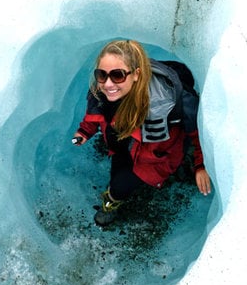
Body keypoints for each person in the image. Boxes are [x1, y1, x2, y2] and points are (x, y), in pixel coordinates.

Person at [73, 39, 211, 226]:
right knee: (117, 174)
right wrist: (85, 132)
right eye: (101, 74)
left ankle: (112, 201)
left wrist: (200, 166)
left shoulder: (168, 103)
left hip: (155, 158)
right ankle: (115, 193)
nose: (108, 83)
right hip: (123, 144)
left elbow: (198, 133)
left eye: (118, 75)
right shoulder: (102, 92)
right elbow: (94, 114)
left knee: (119, 186)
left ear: (136, 74)